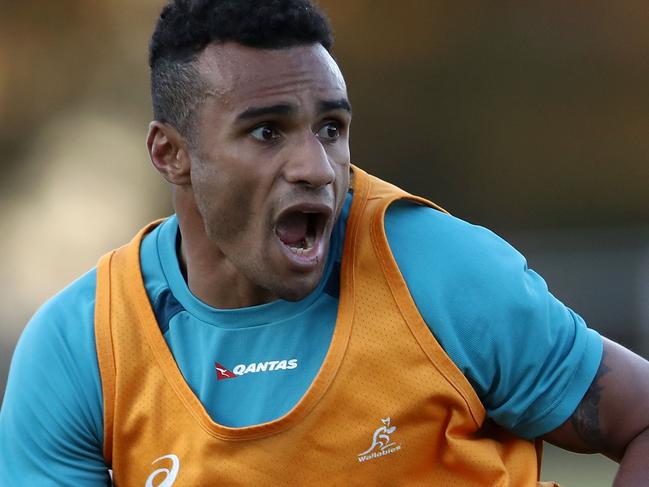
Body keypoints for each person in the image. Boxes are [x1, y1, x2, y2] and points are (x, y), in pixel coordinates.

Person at [0, 0, 647, 485]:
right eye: (266, 132)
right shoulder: (83, 348)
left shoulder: (437, 273)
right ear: (171, 154)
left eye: (330, 127)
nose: (315, 166)